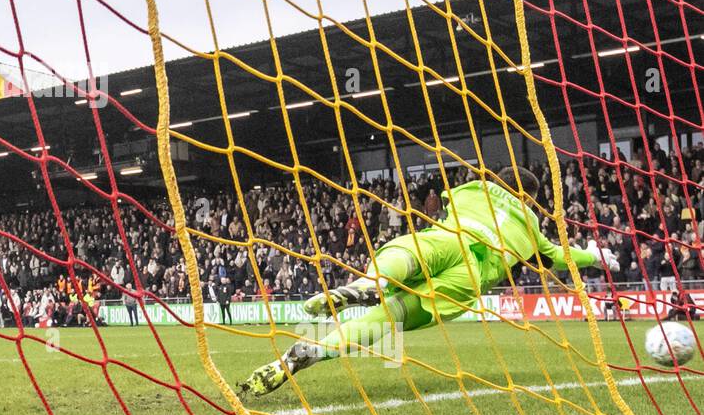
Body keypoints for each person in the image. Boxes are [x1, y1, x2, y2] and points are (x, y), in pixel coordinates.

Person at [237, 168, 620, 398]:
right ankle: (312, 353)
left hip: (451, 236)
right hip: (471, 276)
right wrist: (594, 255)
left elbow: (440, 202)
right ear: (532, 199)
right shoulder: (533, 225)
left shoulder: (475, 188)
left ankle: (369, 282)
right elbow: (557, 258)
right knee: (392, 319)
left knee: (405, 252)